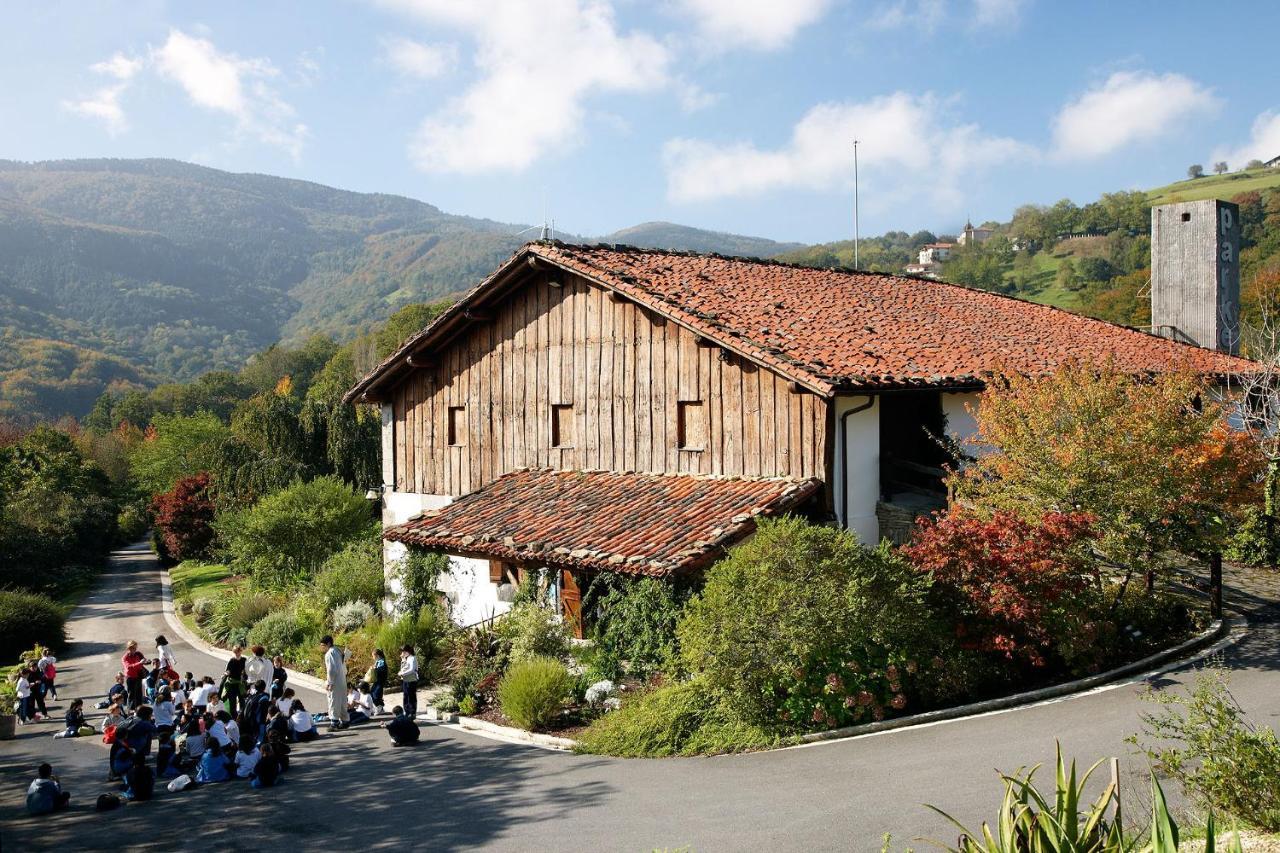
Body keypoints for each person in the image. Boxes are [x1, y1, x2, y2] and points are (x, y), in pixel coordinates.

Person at [321, 635, 349, 731]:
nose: (322, 647)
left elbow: (331, 669)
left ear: (328, 643)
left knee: (333, 701)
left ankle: (334, 723)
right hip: (342, 680)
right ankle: (345, 721)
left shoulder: (330, 653)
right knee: (342, 701)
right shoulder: (338, 651)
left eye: (323, 645)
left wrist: (330, 682)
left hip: (335, 681)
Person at [121, 641, 149, 710]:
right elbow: (128, 667)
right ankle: (131, 710)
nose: (135, 650)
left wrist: (146, 662)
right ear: (129, 648)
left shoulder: (138, 654)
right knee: (132, 695)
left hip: (138, 676)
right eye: (134, 648)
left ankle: (140, 710)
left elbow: (143, 661)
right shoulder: (125, 657)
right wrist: (139, 663)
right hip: (131, 678)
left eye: (136, 648)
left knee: (139, 694)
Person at [222, 646, 247, 718]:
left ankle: (242, 717)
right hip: (232, 683)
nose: (237, 653)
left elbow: (247, 671)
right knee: (232, 702)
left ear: (241, 651)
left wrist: (244, 674)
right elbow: (227, 670)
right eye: (235, 652)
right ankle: (234, 717)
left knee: (242, 701)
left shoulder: (244, 660)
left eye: (238, 652)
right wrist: (226, 673)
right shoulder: (231, 660)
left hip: (241, 684)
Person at [399, 644, 419, 719]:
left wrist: (402, 673)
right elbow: (403, 668)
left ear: (408, 651)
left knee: (411, 696)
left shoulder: (413, 658)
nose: (402, 653)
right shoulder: (406, 659)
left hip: (411, 680)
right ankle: (407, 711)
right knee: (405, 696)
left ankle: (412, 712)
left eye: (403, 651)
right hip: (405, 680)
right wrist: (403, 660)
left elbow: (412, 669)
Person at [369, 649, 388, 714]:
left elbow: (382, 670)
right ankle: (380, 708)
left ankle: (379, 707)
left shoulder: (381, 661)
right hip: (377, 681)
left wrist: (375, 669)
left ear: (377, 655)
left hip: (380, 681)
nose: (373, 657)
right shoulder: (378, 662)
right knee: (373, 693)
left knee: (376, 694)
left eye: (373, 656)